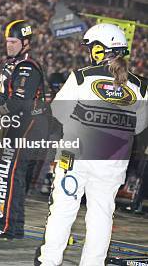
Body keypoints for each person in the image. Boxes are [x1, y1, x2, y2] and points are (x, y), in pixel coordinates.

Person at [35, 23, 147, 266]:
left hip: (76, 156)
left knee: (63, 212)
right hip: (113, 161)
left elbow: (56, 114)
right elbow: (139, 128)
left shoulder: (81, 77)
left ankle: (49, 262)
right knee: (102, 216)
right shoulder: (141, 86)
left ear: (99, 49)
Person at [0, 19, 48, 239]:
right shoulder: (12, 63)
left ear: (25, 42)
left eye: (13, 41)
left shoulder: (27, 66)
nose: (8, 45)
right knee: (13, 175)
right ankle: (14, 226)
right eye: (7, 41)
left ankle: (5, 225)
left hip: (28, 126)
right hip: (21, 126)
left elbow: (20, 100)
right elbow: (4, 96)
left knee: (8, 173)